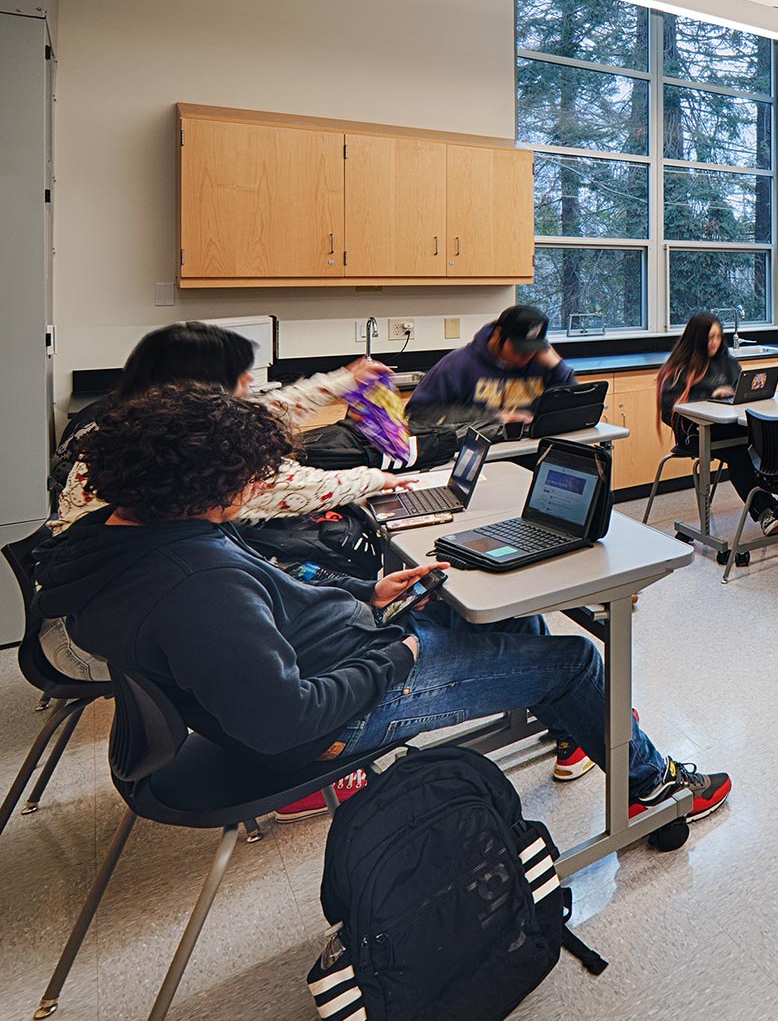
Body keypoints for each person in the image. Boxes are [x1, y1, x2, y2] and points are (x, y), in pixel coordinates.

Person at [32, 383, 730, 828]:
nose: (257, 491)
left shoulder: (121, 536)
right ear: (206, 482)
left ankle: (573, 717)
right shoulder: (195, 583)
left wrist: (365, 591)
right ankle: (652, 785)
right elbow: (283, 720)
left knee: (494, 607)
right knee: (576, 656)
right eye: (250, 479)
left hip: (333, 652)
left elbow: (268, 602)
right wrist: (403, 651)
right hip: (336, 717)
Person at [43, 322, 409, 689]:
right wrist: (377, 479)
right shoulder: (192, 464)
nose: (250, 379)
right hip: (101, 640)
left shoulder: (130, 425)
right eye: (239, 373)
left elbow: (261, 416)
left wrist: (341, 381)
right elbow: (289, 488)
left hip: (88, 603)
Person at [657, 312, 778, 537]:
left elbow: (741, 391)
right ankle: (766, 512)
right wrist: (710, 394)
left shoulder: (726, 362)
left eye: (718, 337)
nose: (715, 343)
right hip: (697, 434)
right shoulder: (678, 369)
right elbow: (670, 410)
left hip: (732, 426)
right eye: (709, 338)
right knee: (739, 454)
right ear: (696, 339)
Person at [408, 304, 575, 419]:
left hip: (532, 451)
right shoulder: (458, 365)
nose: (526, 356)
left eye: (532, 349)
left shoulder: (543, 364)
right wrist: (492, 418)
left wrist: (558, 367)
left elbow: (578, 410)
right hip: (481, 455)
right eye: (518, 349)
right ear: (497, 335)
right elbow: (418, 413)